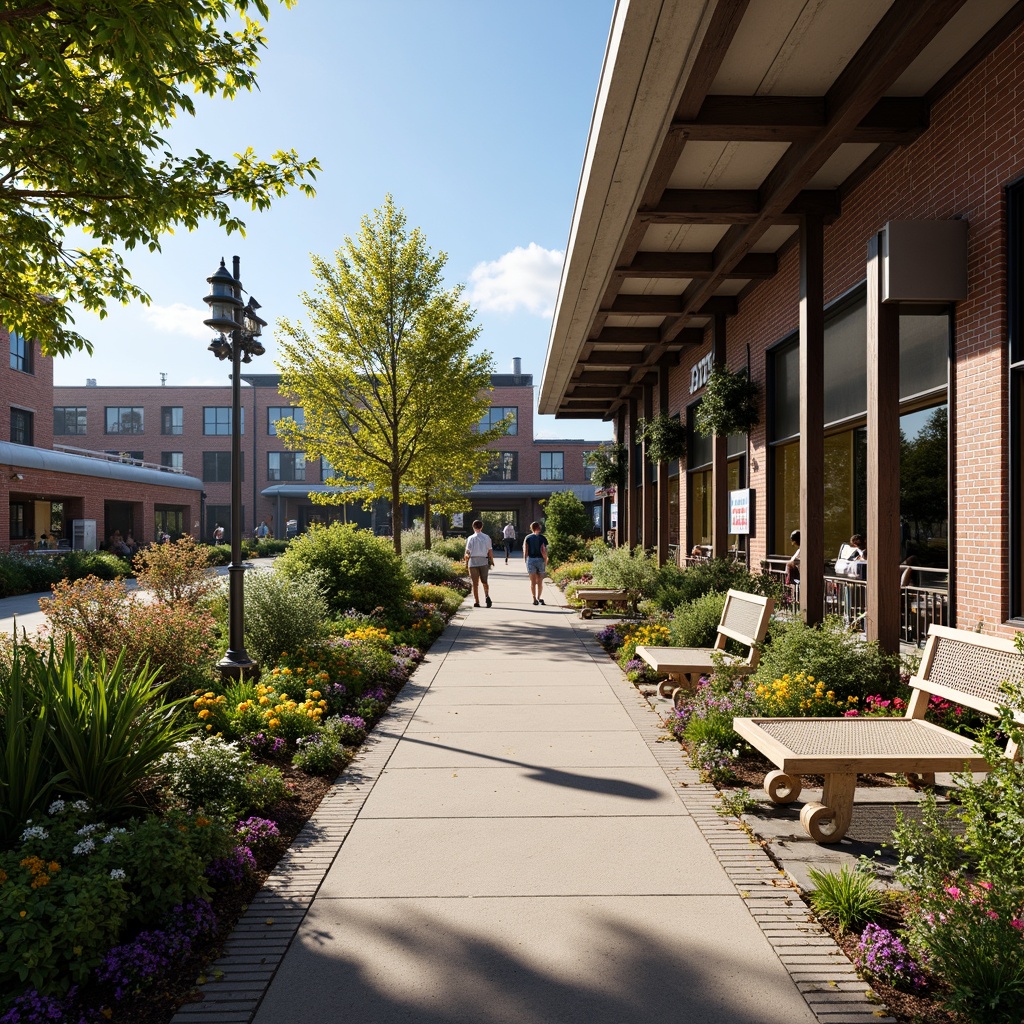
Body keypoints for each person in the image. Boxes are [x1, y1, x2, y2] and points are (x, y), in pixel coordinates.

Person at [464, 520, 494, 607]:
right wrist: (491, 560)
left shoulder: (470, 538)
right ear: (482, 527)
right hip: (483, 561)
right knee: (484, 581)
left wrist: (466, 561)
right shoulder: (487, 537)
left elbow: (468, 551)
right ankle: (487, 595)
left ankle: (476, 601)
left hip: (473, 562)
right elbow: (490, 550)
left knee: (475, 583)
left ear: (473, 527)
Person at [523, 521, 549, 606]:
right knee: (540, 581)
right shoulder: (543, 538)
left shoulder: (528, 538)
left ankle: (534, 598)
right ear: (539, 528)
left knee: (532, 581)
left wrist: (525, 561)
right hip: (540, 560)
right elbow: (545, 551)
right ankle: (539, 597)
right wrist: (546, 561)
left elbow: (525, 551)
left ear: (531, 528)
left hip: (531, 560)